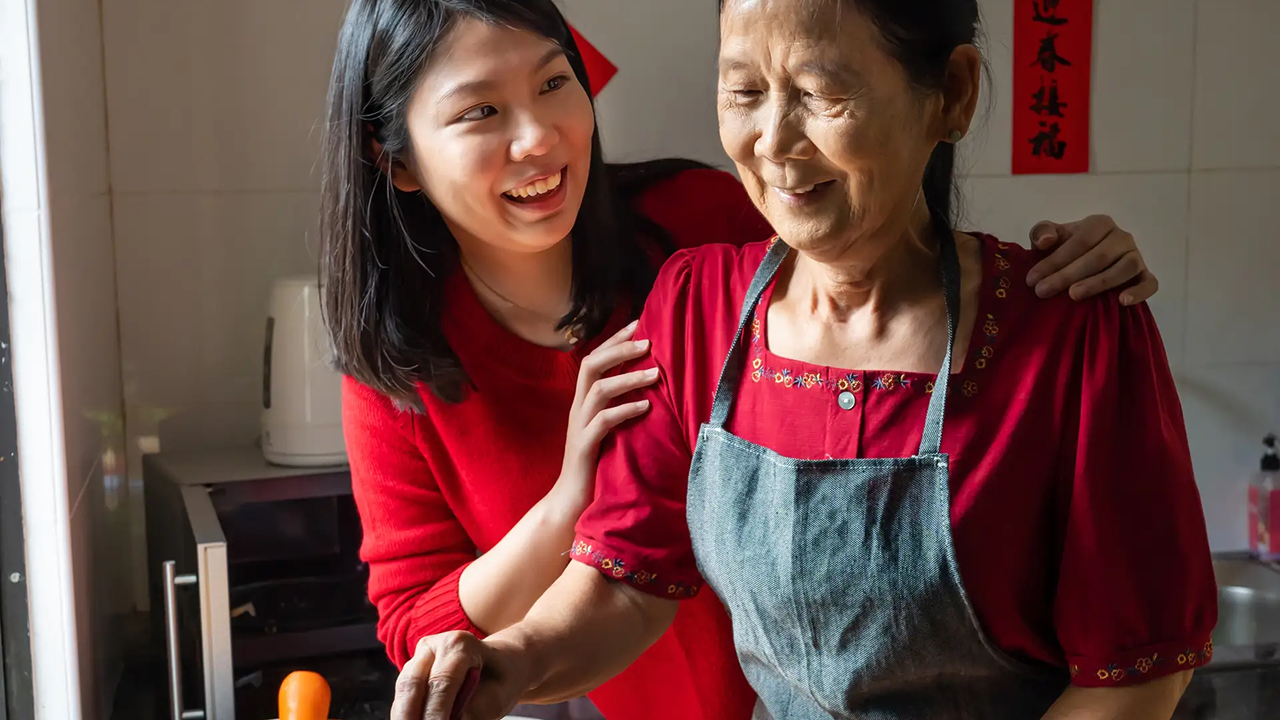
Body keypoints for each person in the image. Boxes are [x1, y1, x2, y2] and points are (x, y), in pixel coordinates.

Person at [319, 2, 1174, 720]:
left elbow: (1139, 671)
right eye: (744, 92)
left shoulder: (1073, 331)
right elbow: (627, 579)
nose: (773, 142)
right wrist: (508, 664)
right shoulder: (695, 303)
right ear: (392, 158)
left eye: (819, 92)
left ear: (950, 94)